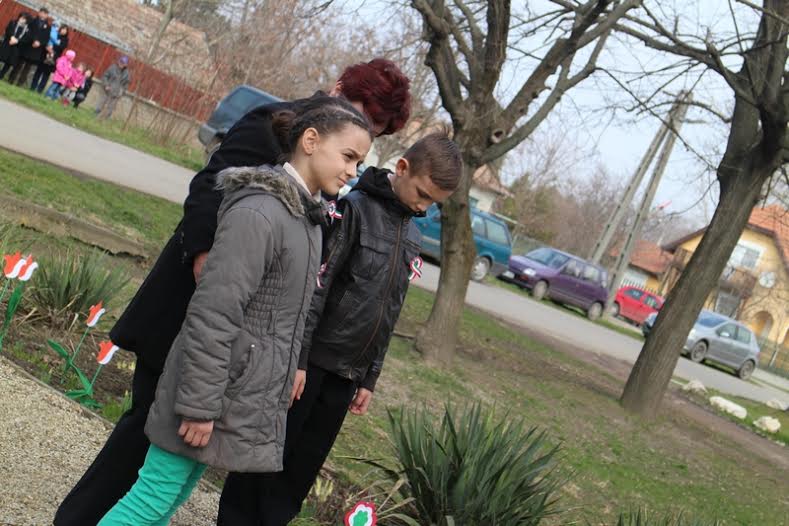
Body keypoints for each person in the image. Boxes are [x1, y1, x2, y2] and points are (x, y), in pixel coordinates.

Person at [53, 57, 411, 526]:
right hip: (192, 309)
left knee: (167, 480)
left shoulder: (322, 181)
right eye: (363, 114)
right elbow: (209, 192)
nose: (363, 135)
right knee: (143, 446)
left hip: (237, 338)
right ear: (339, 90)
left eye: (375, 132)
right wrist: (210, 264)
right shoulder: (273, 128)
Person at [217, 132, 462, 526]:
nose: (424, 206)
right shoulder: (354, 210)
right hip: (310, 363)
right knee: (268, 456)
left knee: (301, 468)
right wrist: (298, 359)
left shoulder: (412, 236)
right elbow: (318, 287)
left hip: (347, 375)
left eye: (434, 203)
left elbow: (391, 309)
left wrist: (370, 377)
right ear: (402, 168)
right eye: (422, 194)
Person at [11, 6, 50, 86]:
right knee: (19, 64)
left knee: (27, 67)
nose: (43, 15)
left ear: (47, 15)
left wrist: (40, 43)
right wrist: (34, 40)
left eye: (45, 14)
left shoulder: (48, 26)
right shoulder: (32, 21)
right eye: (42, 13)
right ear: (39, 13)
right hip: (28, 45)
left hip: (36, 49)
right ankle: (11, 79)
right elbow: (28, 32)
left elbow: (46, 38)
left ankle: (20, 83)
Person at [31, 23, 67, 93]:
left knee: (46, 74)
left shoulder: (65, 39)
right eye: (63, 29)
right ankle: (32, 87)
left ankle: (39, 90)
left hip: (53, 58)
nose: (63, 31)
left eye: (65, 30)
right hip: (44, 54)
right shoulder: (53, 33)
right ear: (60, 29)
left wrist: (52, 49)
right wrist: (47, 47)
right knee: (38, 71)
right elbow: (45, 40)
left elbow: (62, 47)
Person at [95, 55, 130, 119]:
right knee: (102, 103)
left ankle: (105, 118)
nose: (121, 63)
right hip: (107, 90)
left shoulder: (126, 73)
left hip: (116, 93)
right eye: (121, 61)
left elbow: (126, 84)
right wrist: (106, 85)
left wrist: (122, 92)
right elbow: (105, 76)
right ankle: (95, 114)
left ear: (126, 64)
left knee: (110, 107)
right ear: (119, 61)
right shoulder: (112, 68)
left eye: (123, 63)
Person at [0, 13, 32, 82]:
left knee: (8, 62)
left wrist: (17, 41)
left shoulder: (27, 29)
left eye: (24, 18)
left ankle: (1, 75)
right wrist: (12, 37)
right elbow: (8, 30)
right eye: (21, 17)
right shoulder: (13, 22)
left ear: (27, 20)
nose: (21, 19)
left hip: (16, 47)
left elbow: (26, 39)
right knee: (1, 57)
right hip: (7, 43)